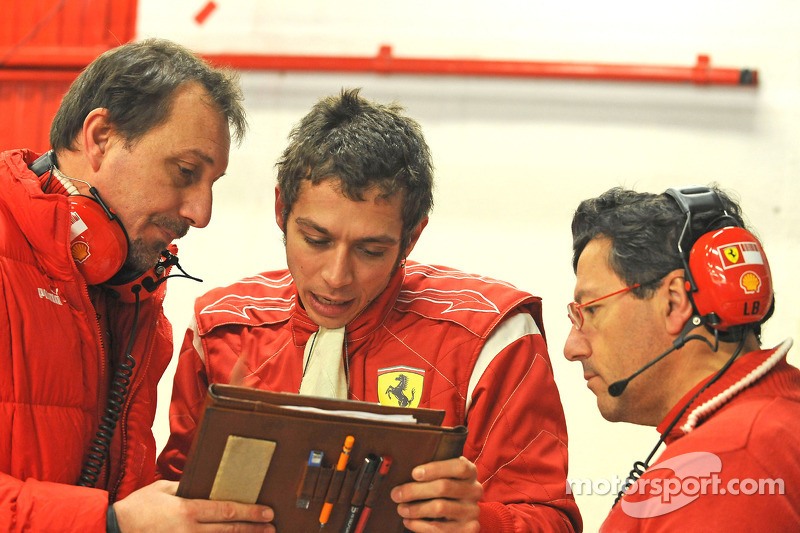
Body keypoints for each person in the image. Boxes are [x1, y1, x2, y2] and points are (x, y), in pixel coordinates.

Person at [157, 88, 582, 532]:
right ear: (282, 209)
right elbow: (174, 499)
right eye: (316, 240)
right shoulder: (222, 327)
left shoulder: (490, 336)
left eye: (371, 250)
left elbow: (553, 521)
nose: (336, 276)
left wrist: (483, 524)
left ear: (411, 238)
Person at [0, 39, 275, 532]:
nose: (200, 213)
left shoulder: (134, 294)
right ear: (101, 137)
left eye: (211, 184)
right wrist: (107, 523)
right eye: (185, 172)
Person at [564, 185, 800, 531]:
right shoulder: (770, 426)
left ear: (674, 301)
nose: (572, 348)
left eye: (591, 309)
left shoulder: (727, 465)